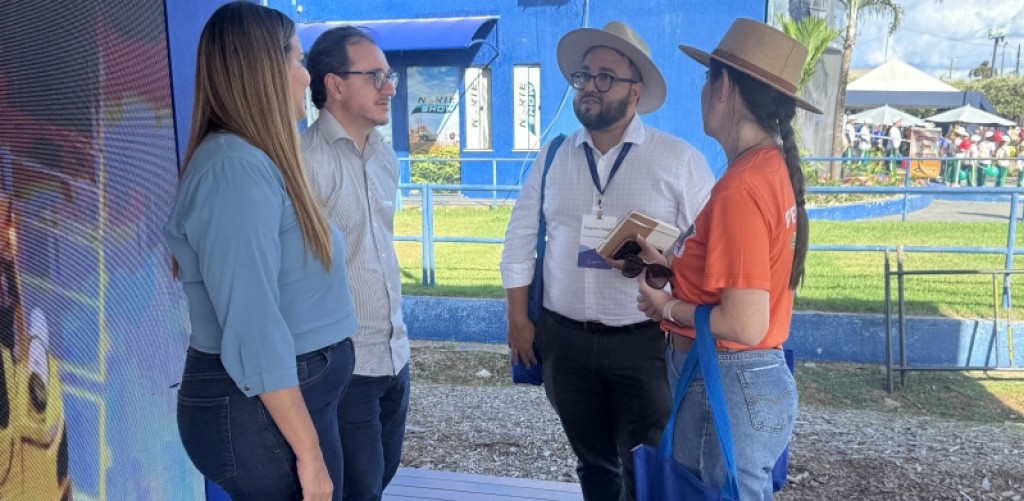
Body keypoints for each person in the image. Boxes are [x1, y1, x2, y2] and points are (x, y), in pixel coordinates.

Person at [500, 21, 713, 501]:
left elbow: (707, 255)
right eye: (583, 76)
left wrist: (661, 267)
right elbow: (519, 238)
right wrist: (517, 318)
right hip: (564, 343)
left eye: (605, 77)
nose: (589, 87)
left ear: (635, 91)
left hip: (645, 345)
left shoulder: (679, 161)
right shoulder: (553, 156)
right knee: (593, 464)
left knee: (646, 465)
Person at [162, 3, 357, 500]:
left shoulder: (252, 161)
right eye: (296, 59)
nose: (305, 75)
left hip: (279, 406)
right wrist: (309, 454)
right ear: (261, 71)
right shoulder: (232, 169)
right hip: (258, 413)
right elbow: (253, 327)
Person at [633, 18, 819, 499]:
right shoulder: (771, 169)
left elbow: (744, 322)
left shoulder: (741, 186)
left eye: (706, 78)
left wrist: (668, 307)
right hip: (744, 376)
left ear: (724, 87)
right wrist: (672, 266)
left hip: (724, 379)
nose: (703, 92)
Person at [302, 26, 410, 501]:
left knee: (380, 478)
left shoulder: (385, 156)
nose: (389, 89)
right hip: (343, 367)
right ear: (335, 85)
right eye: (375, 77)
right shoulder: (304, 162)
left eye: (390, 76)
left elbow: (376, 249)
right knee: (358, 490)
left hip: (395, 354)